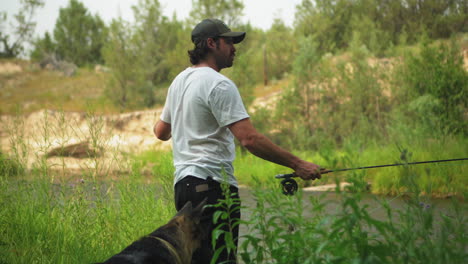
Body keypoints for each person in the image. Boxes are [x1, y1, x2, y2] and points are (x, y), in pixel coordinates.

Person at [154, 18, 322, 264]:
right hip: (213, 188)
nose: (234, 48)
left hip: (184, 188)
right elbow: (249, 139)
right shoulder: (219, 84)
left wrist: (185, 119)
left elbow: (160, 131)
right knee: (222, 259)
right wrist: (298, 164)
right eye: (229, 42)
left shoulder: (179, 82)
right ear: (211, 43)